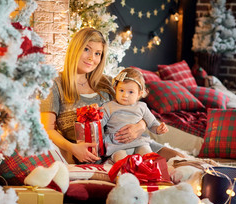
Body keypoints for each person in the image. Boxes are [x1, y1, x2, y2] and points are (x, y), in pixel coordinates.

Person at [40, 27, 184, 164]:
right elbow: (48, 129)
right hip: (105, 152)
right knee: (141, 169)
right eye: (86, 49)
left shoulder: (108, 82)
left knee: (179, 158)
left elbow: (136, 107)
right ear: (74, 49)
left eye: (97, 53)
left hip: (135, 143)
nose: (91, 58)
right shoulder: (54, 84)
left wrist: (141, 125)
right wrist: (73, 149)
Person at [101, 67, 169, 163]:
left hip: (139, 143)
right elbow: (99, 123)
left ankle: (151, 172)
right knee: (120, 159)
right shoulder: (108, 106)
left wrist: (158, 129)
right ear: (115, 89)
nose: (125, 95)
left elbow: (152, 122)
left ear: (139, 94)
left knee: (148, 155)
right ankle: (127, 174)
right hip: (117, 145)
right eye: (121, 90)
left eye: (131, 92)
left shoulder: (142, 107)